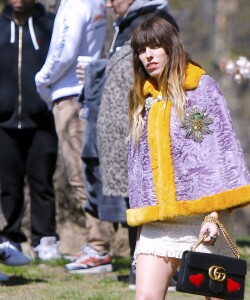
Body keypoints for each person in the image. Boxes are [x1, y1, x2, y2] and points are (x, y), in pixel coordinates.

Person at [127, 16, 250, 299]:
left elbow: (220, 153)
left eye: (154, 46)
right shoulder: (144, 98)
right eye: (141, 50)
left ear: (171, 47)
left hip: (204, 217)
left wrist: (214, 213)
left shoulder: (201, 89)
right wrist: (142, 222)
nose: (147, 55)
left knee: (217, 295)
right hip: (159, 222)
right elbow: (139, 169)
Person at [80, 0, 178, 287]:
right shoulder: (126, 23)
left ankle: (159, 271)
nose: (109, 3)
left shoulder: (154, 20)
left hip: (149, 126)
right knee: (134, 199)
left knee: (150, 201)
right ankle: (142, 267)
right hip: (129, 125)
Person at [35, 0, 112, 274]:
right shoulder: (95, 2)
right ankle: (98, 244)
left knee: (81, 175)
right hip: (85, 94)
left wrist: (41, 80)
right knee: (88, 172)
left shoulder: (75, 4)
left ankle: (99, 248)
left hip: (71, 97)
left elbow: (63, 52)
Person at [0, 0, 59, 261]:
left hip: (42, 120)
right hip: (4, 122)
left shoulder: (50, 24)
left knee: (42, 182)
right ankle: (10, 240)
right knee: (9, 186)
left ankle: (44, 240)